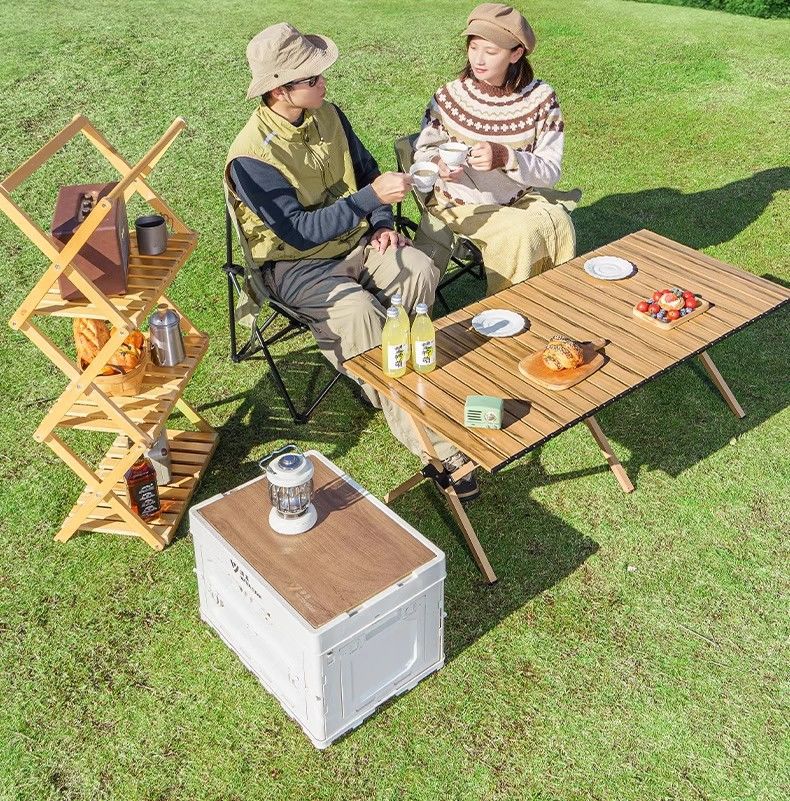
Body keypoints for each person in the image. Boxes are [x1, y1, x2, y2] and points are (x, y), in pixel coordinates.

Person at [225, 22, 479, 500]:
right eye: (313, 78)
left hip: (358, 242)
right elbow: (298, 232)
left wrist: (381, 222)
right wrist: (370, 201)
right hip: (293, 266)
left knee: (419, 267)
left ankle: (394, 375)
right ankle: (439, 446)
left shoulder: (329, 114)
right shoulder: (250, 158)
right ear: (280, 91)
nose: (324, 82)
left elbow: (367, 174)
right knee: (359, 312)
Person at [413, 3, 581, 296]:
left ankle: (549, 302)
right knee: (520, 234)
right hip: (460, 203)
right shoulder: (449, 97)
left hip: (518, 198)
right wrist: (439, 164)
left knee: (560, 223)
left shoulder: (541, 99)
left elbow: (550, 172)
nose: (478, 59)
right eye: (473, 47)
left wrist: (506, 157)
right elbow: (424, 151)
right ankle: (507, 311)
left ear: (516, 54)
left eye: (490, 52)